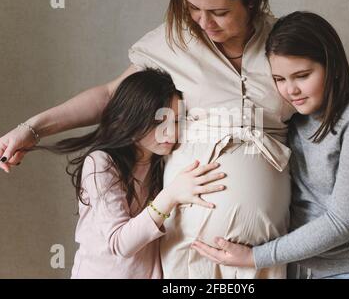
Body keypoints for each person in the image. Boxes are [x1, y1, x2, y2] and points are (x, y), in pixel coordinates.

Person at [0, 0, 349, 279]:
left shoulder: (282, 40)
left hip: (268, 242)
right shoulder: (173, 41)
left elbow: (325, 90)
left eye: (220, 12)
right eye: (193, 8)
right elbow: (110, 97)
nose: (203, 22)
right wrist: (33, 127)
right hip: (186, 236)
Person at [191, 11, 349, 279]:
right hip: (302, 263)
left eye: (302, 75)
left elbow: (342, 223)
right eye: (280, 79)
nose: (291, 90)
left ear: (332, 65)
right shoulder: (293, 116)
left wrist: (255, 257)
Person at [35, 69, 227, 278]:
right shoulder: (101, 163)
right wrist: (170, 195)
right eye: (159, 122)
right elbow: (121, 244)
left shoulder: (162, 161)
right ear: (132, 119)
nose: (171, 133)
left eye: (176, 121)